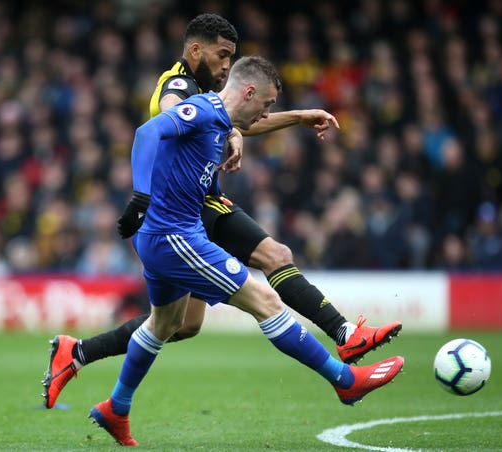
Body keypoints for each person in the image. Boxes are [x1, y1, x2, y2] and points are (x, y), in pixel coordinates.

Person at [42, 13, 402, 409]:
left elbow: (238, 118)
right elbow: (171, 116)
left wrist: (292, 118)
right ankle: (344, 350)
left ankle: (81, 360)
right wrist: (147, 191)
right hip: (185, 212)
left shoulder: (211, 95)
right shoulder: (178, 84)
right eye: (222, 55)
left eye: (231, 57)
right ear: (196, 50)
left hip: (188, 213)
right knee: (273, 262)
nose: (226, 64)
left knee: (180, 325)